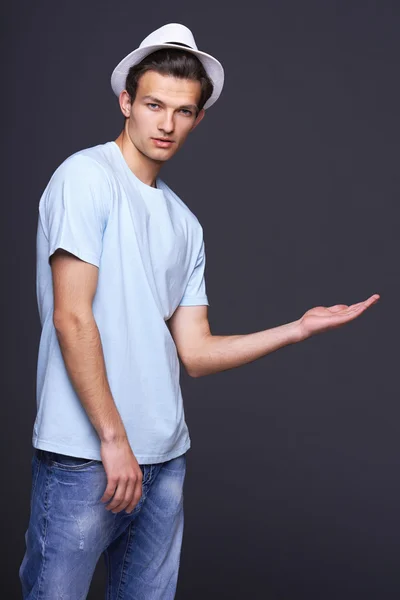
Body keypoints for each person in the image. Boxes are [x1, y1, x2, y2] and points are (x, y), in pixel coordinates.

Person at [19, 22, 379, 600]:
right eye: (154, 104)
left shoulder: (185, 223)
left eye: (183, 111)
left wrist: (297, 328)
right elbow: (72, 317)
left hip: (165, 457)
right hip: (88, 455)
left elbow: (197, 353)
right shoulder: (84, 178)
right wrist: (114, 440)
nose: (167, 124)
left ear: (199, 118)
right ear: (126, 103)